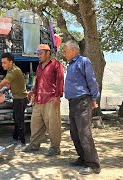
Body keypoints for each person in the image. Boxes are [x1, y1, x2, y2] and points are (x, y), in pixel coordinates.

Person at [62, 40, 101, 175]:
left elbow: (92, 80)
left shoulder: (83, 61)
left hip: (83, 101)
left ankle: (93, 164)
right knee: (74, 133)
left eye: (65, 51)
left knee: (84, 133)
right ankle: (83, 158)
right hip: (73, 102)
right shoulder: (71, 64)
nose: (63, 53)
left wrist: (94, 98)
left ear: (74, 50)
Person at [23, 44, 64, 156]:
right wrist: (34, 94)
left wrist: (57, 96)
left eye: (40, 53)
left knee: (53, 125)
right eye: (37, 53)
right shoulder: (39, 67)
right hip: (39, 99)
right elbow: (37, 82)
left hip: (51, 99)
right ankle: (34, 145)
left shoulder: (56, 65)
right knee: (35, 123)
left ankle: (55, 148)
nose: (38, 55)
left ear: (48, 53)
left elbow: (60, 80)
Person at [0, 52, 28, 148]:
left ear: (11, 62)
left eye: (5, 63)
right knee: (16, 118)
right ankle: (15, 138)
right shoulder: (11, 70)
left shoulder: (14, 71)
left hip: (21, 99)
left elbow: (1, 84)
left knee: (19, 120)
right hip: (17, 99)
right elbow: (8, 84)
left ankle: (22, 142)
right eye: (2, 63)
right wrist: (6, 88)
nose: (3, 65)